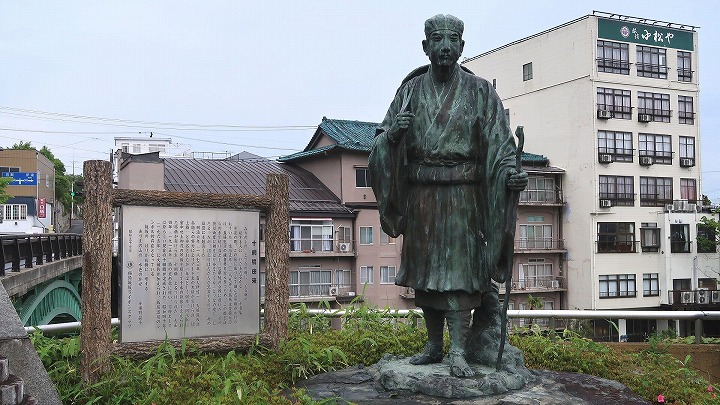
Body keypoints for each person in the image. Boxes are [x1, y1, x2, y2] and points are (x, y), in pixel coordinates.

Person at [369, 14, 527, 378]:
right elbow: (379, 142)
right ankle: (433, 345)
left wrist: (509, 175)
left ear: (461, 46)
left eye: (451, 40)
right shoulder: (409, 90)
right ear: (425, 47)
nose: (444, 47)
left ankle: (459, 349)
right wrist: (392, 136)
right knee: (426, 276)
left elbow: (500, 147)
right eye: (436, 40)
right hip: (422, 197)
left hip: (463, 198)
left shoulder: (481, 92)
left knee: (458, 274)